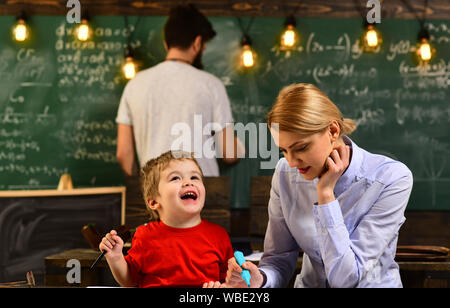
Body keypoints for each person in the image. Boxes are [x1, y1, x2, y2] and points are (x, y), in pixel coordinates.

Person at [225, 83, 413, 288]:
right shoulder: (285, 173)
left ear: (333, 130)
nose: (292, 162)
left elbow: (346, 279)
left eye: (301, 148)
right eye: (284, 151)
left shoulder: (391, 178)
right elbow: (278, 259)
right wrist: (260, 279)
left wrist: (325, 195)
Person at [116, 4, 243, 177]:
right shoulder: (211, 85)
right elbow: (229, 153)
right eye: (203, 46)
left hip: (155, 194)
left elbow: (123, 155)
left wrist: (143, 190)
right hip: (203, 193)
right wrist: (240, 147)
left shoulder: (135, 85)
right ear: (198, 43)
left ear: (166, 44)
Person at [100, 150, 234, 287]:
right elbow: (129, 281)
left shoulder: (219, 236)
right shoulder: (145, 235)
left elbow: (230, 282)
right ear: (153, 202)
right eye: (175, 178)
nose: (188, 182)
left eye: (194, 177)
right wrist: (115, 258)